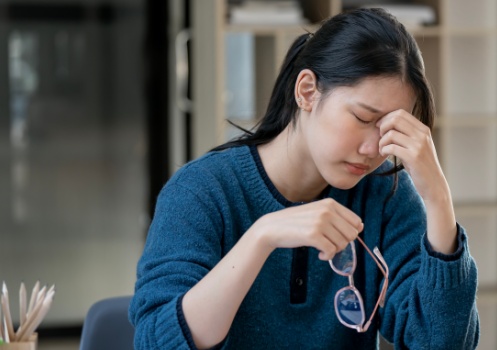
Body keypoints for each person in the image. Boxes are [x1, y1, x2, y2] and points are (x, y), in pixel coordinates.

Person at [128, 7, 479, 350]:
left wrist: (439, 200)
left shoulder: (385, 194)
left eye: (389, 130)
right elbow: (156, 342)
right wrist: (261, 237)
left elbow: (441, 342)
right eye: (362, 118)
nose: (374, 149)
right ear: (307, 91)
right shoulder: (201, 191)